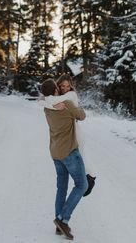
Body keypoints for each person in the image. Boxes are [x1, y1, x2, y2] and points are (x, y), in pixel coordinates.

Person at [40, 78, 88, 240]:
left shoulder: (47, 107)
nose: (61, 89)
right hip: (69, 152)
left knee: (61, 187)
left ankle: (58, 227)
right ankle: (63, 219)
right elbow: (82, 116)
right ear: (55, 90)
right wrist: (74, 102)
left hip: (55, 152)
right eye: (58, 87)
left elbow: (43, 101)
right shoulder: (66, 104)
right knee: (82, 185)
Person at [39, 74, 96, 202]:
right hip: (67, 134)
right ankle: (88, 180)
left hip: (75, 132)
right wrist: (52, 104)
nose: (65, 88)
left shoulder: (70, 96)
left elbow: (44, 100)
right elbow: (43, 100)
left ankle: (88, 181)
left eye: (67, 86)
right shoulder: (57, 98)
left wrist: (51, 103)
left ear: (71, 86)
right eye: (62, 86)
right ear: (57, 86)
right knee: (80, 157)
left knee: (81, 156)